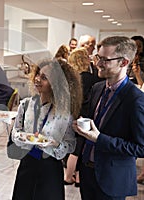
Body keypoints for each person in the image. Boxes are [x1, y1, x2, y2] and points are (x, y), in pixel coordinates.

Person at [73, 36, 144, 200]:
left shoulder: (136, 100)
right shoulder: (97, 88)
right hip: (88, 173)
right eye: (98, 57)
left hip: (112, 179)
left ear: (124, 63)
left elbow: (141, 147)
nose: (98, 64)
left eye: (105, 60)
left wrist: (100, 139)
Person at [11, 59, 83, 200]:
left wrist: (55, 144)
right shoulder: (26, 105)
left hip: (50, 167)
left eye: (44, 77)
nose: (37, 79)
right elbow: (15, 132)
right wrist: (20, 137)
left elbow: (70, 144)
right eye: (38, 74)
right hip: (27, 163)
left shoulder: (64, 113)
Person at [64, 48, 100, 187]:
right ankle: (69, 177)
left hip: (73, 114)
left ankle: (74, 176)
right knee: (79, 148)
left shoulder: (72, 78)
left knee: (76, 147)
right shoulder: (90, 77)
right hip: (84, 116)